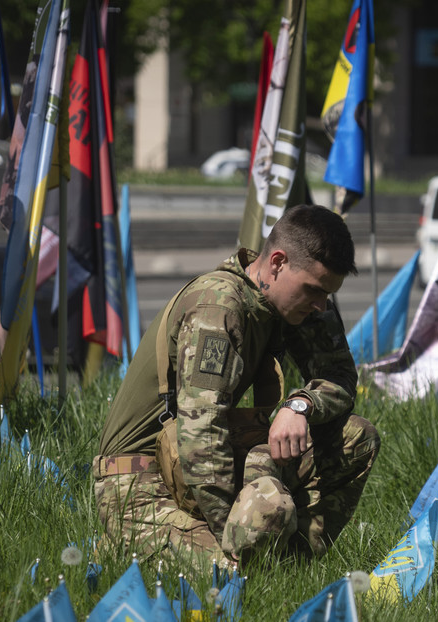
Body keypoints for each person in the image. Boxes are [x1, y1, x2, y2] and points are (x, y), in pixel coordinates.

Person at [93, 205, 379, 567]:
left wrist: (300, 406)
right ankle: (124, 543)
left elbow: (340, 376)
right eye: (314, 290)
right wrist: (236, 535)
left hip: (200, 462)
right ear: (277, 263)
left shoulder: (297, 301)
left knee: (356, 438)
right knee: (233, 574)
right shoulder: (219, 307)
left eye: (328, 295)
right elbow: (202, 437)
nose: (322, 305)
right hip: (139, 480)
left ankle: (292, 565)